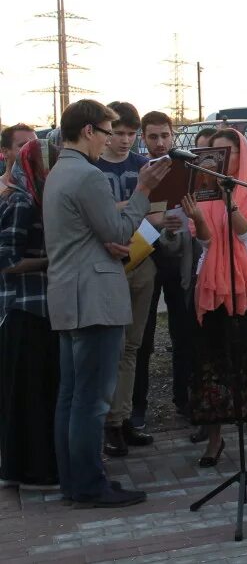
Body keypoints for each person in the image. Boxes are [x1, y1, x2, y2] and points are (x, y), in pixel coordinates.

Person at [45, 98, 170, 508]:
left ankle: (74, 480)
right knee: (91, 399)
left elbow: (93, 232)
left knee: (71, 396)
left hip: (68, 294)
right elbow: (117, 227)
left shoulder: (59, 172)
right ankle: (89, 485)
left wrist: (112, 242)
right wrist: (144, 190)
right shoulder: (88, 175)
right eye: (106, 132)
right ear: (88, 132)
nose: (109, 140)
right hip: (94, 297)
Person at [181, 128, 247, 469]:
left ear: (242, 156)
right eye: (215, 154)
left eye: (229, 152)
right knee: (211, 363)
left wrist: (231, 201)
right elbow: (207, 243)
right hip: (211, 286)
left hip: (246, 287)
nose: (222, 160)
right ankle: (215, 439)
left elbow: (246, 234)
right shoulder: (202, 192)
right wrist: (198, 216)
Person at [95, 102, 158, 457]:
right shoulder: (93, 167)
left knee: (132, 346)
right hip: (105, 263)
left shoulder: (142, 167)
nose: (123, 140)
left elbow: (157, 213)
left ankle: (121, 420)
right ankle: (105, 423)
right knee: (110, 345)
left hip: (142, 260)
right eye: (117, 133)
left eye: (130, 134)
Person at [0, 139, 61, 489]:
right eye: (47, 164)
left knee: (37, 392)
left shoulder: (38, 199)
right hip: (24, 309)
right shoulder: (22, 202)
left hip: (42, 309)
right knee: (28, 394)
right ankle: (31, 471)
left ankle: (30, 467)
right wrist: (52, 261)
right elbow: (7, 260)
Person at [134, 111, 192, 432]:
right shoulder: (138, 172)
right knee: (142, 335)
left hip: (181, 256)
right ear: (144, 138)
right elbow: (127, 214)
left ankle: (184, 399)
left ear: (173, 136)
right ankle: (137, 405)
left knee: (183, 330)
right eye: (153, 137)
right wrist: (154, 220)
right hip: (146, 256)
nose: (159, 143)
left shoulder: (187, 167)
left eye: (165, 136)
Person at [0, 123, 37, 194]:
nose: (32, 150)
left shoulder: (46, 185)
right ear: (5, 152)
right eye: (24, 145)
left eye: (35, 144)